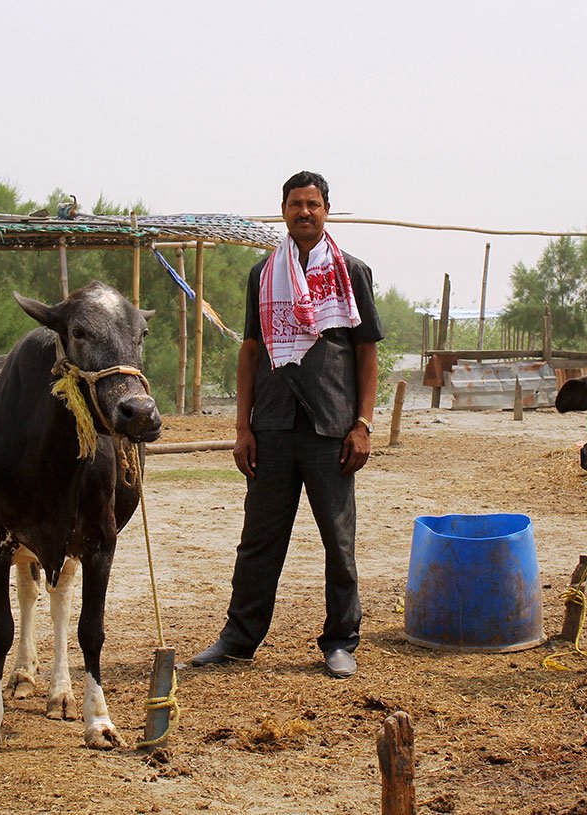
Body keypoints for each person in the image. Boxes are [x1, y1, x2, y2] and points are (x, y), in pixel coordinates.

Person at [189, 170, 383, 679]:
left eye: (314, 204)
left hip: (332, 431)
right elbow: (251, 351)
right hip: (271, 427)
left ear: (327, 210)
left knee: (339, 544)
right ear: (283, 210)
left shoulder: (353, 273)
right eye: (296, 204)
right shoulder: (262, 274)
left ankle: (340, 641)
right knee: (258, 541)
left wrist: (362, 423)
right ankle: (238, 639)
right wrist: (242, 428)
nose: (305, 212)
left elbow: (366, 355)